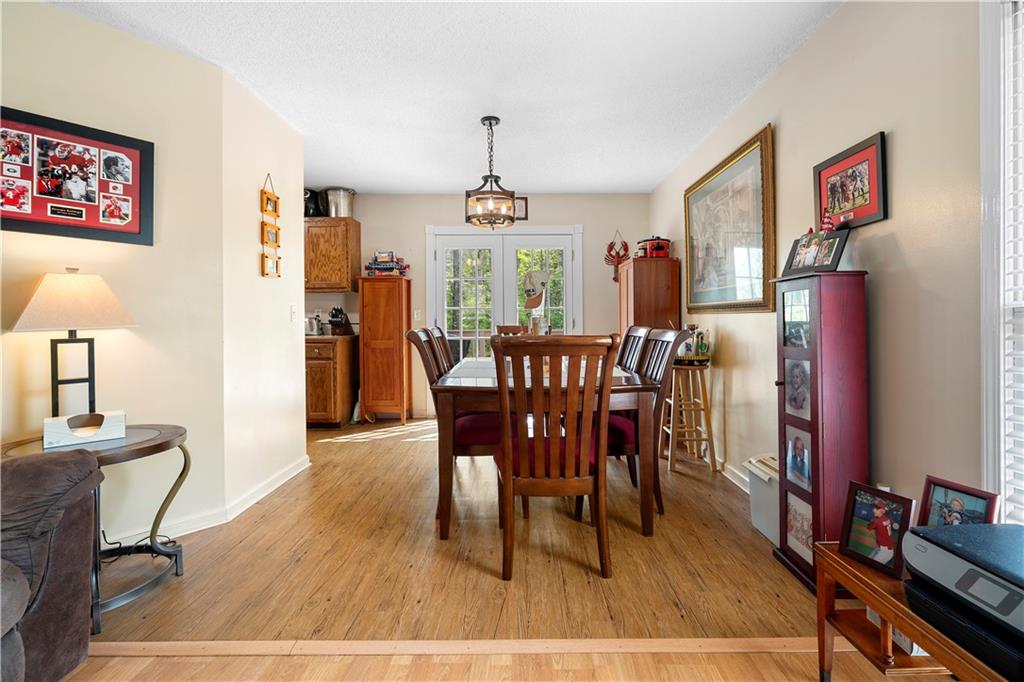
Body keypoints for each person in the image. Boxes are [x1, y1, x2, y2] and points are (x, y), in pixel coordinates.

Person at [866, 500, 896, 565]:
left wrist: (872, 521)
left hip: (885, 552)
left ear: (882, 511)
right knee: (867, 562)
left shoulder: (876, 521)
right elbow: (893, 523)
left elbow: (868, 528)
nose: (873, 510)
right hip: (881, 548)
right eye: (874, 508)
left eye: (876, 508)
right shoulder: (887, 519)